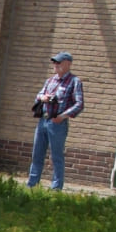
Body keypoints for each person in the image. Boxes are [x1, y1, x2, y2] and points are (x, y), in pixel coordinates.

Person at [28, 51, 83, 191]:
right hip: (43, 120)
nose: (55, 65)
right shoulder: (50, 80)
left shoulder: (74, 81)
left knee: (56, 156)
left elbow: (79, 104)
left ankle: (56, 188)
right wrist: (43, 97)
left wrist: (62, 116)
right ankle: (32, 185)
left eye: (59, 62)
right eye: (54, 62)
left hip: (57, 123)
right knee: (37, 154)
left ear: (68, 63)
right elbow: (39, 95)